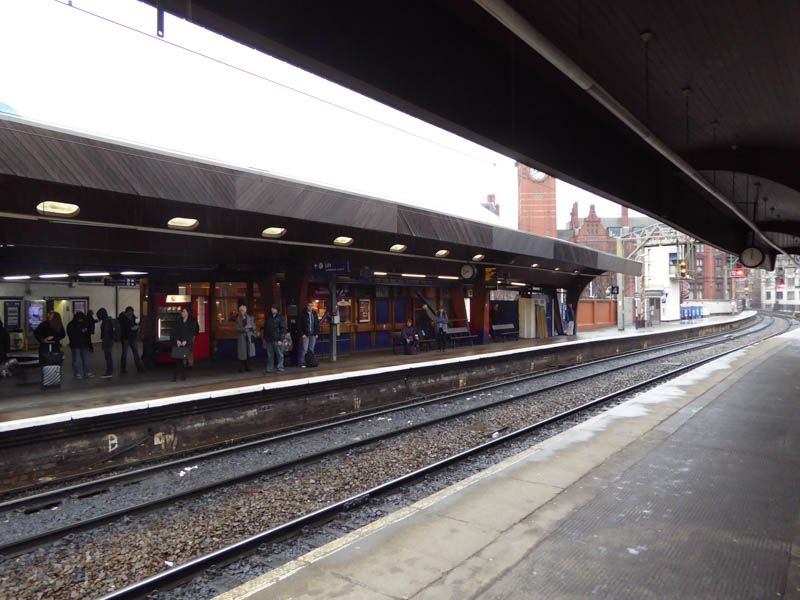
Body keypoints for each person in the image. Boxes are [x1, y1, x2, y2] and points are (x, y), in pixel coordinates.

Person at [170, 307, 196, 381]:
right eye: (182, 312)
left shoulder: (192, 322)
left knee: (180, 359)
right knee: (179, 359)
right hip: (178, 343)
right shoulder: (179, 321)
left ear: (187, 313)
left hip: (186, 343)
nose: (182, 313)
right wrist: (177, 340)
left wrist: (186, 341)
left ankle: (175, 376)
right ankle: (182, 375)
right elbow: (175, 331)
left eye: (184, 312)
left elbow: (192, 333)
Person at [66, 311, 93, 379]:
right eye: (80, 318)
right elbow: (71, 335)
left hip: (84, 345)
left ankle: (86, 373)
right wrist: (81, 331)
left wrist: (89, 345)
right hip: (75, 345)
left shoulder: (84, 323)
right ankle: (76, 373)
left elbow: (88, 334)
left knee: (85, 360)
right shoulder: (71, 324)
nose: (81, 320)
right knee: (76, 360)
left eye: (82, 318)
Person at [262, 303, 287, 373]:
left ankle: (280, 368)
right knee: (270, 355)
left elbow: (283, 329)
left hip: (277, 339)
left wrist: (281, 339)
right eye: (272, 308)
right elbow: (266, 327)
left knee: (279, 354)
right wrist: (265, 338)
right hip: (269, 339)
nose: (272, 309)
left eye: (273, 308)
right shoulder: (268, 317)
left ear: (277, 309)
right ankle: (269, 369)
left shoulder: (281, 318)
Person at [118, 306, 144, 374]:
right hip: (126, 337)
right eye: (130, 312)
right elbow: (123, 327)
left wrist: (136, 327)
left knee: (135, 352)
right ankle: (123, 368)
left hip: (132, 337)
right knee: (125, 353)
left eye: (132, 312)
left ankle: (139, 367)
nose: (131, 314)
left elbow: (133, 324)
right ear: (127, 312)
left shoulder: (132, 316)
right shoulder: (122, 317)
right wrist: (131, 328)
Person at [234, 303, 256, 372]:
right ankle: (241, 368)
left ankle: (248, 367)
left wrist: (251, 327)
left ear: (245, 311)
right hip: (242, 338)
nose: (241, 312)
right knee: (242, 353)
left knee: (249, 352)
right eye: (240, 311)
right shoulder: (237, 319)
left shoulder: (250, 318)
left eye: (243, 310)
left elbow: (254, 327)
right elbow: (237, 329)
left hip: (249, 337)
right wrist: (244, 328)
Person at [298, 301, 320, 367]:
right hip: (305, 334)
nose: (310, 307)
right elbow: (299, 325)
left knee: (311, 349)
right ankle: (303, 363)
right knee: (305, 349)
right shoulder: (302, 314)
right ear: (306, 306)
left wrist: (317, 333)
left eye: (311, 306)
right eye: (309, 306)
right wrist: (302, 334)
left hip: (313, 334)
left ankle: (310, 362)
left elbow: (317, 324)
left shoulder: (314, 313)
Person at [96, 308, 115, 378]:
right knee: (108, 357)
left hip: (107, 342)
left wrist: (104, 344)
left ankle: (109, 372)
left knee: (108, 357)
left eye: (98, 316)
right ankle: (109, 371)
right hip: (110, 341)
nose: (98, 317)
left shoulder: (105, 322)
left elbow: (105, 334)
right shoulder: (108, 320)